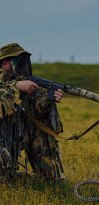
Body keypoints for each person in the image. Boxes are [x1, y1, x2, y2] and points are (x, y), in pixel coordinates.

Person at [0, 43, 65, 182]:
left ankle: (48, 176)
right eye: (18, 62)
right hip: (3, 143)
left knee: (41, 131)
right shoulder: (13, 84)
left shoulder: (27, 83)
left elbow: (38, 112)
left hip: (19, 136)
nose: (23, 67)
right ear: (5, 64)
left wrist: (48, 99)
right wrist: (16, 87)